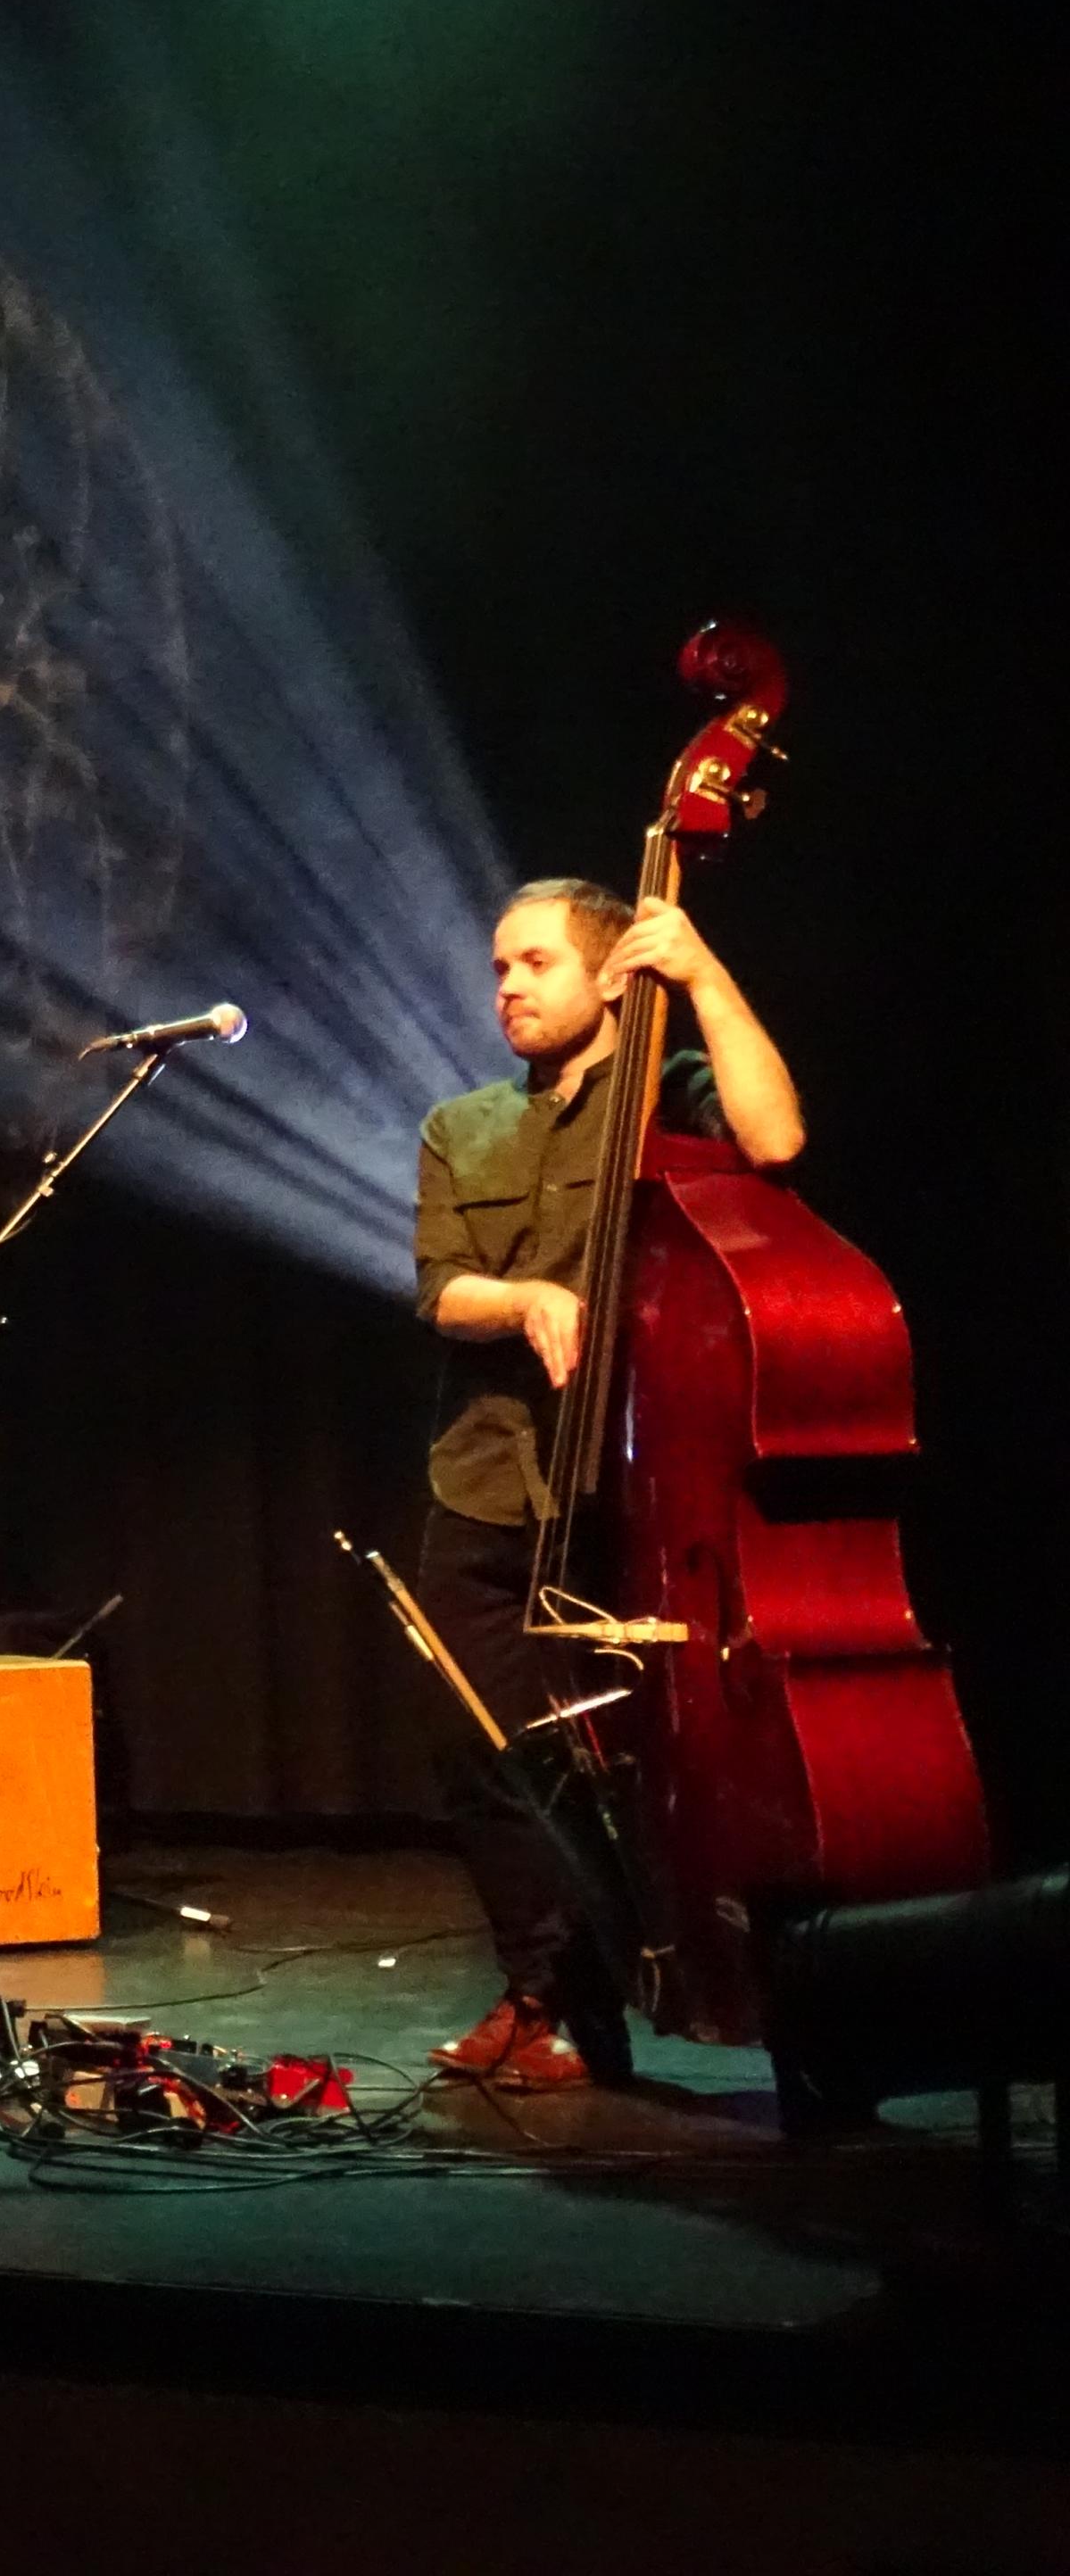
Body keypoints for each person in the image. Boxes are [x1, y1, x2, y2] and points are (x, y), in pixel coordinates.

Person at [412, 877, 804, 2090]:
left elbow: (775, 1140)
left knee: (652, 1763)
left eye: (534, 963)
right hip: (488, 1475)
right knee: (483, 1751)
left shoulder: (670, 1096)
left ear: (608, 976)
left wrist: (702, 974)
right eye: (499, 968)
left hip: (639, 1486)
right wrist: (526, 1298)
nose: (507, 987)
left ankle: (721, 1976)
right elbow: (440, 1289)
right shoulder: (462, 1125)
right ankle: (542, 1996)